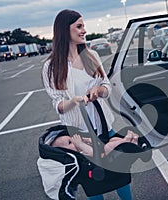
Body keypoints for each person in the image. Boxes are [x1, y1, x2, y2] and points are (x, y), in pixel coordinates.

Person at [42, 9, 134, 200]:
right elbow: (58, 104)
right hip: (80, 134)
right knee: (94, 182)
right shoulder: (51, 67)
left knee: (120, 175)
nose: (84, 30)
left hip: (104, 126)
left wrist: (99, 91)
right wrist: (73, 101)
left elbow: (106, 86)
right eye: (79, 26)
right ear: (64, 30)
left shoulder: (91, 55)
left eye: (83, 26)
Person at [50, 131, 139, 157]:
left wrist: (88, 140)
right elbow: (93, 153)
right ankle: (126, 140)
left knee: (112, 139)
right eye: (70, 142)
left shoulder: (81, 146)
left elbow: (98, 144)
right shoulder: (80, 153)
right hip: (104, 158)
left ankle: (128, 141)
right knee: (108, 146)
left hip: (104, 151)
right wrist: (81, 144)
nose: (74, 141)